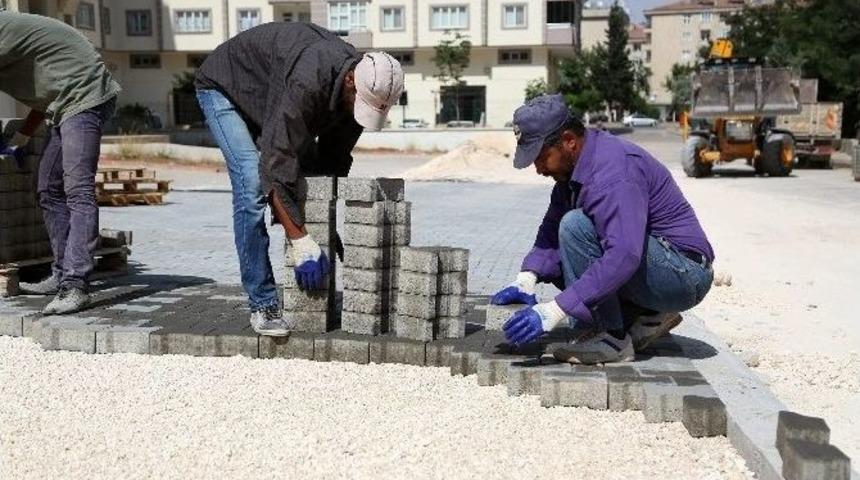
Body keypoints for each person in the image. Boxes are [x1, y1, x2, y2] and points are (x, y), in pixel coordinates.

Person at [194, 22, 403, 336]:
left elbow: (331, 162)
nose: (358, 112)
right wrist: (301, 241)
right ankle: (263, 304)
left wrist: (328, 226)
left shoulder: (357, 95)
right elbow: (276, 164)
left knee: (298, 176)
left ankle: (289, 251)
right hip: (225, 88)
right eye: (358, 103)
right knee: (252, 188)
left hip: (268, 96)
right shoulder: (310, 81)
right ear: (350, 81)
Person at [494, 94, 714, 364]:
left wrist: (555, 309)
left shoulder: (613, 173)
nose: (537, 168)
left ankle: (611, 338)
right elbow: (550, 231)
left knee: (576, 227)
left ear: (568, 142)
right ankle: (646, 315)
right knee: (568, 243)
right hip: (660, 267)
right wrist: (527, 277)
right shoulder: (572, 171)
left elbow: (624, 254)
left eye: (540, 156)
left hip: (684, 274)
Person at [0, 10, 121, 314]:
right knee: (48, 189)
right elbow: (49, 86)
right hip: (66, 102)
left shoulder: (2, 27)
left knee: (77, 190)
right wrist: (23, 136)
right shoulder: (19, 35)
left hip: (86, 98)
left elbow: (69, 82)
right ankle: (61, 273)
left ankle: (76, 285)